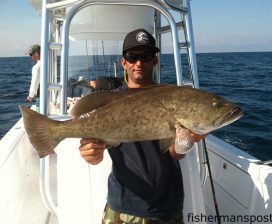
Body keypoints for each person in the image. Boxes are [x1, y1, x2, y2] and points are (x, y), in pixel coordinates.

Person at [79, 29, 206, 224]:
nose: (139, 63)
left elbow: (175, 154)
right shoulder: (109, 102)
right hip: (122, 205)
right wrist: (91, 153)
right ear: (124, 62)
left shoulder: (172, 97)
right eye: (132, 56)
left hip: (167, 207)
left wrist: (187, 142)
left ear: (155, 61)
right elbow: (94, 154)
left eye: (146, 56)